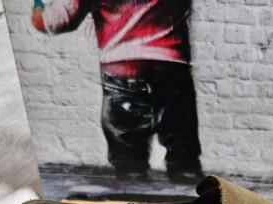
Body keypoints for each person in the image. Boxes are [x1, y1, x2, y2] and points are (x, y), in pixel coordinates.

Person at [32, 0, 203, 183]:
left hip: (121, 71)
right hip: (172, 68)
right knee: (182, 149)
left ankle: (133, 185)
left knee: (128, 156)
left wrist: (38, 6)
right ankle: (188, 182)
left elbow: (54, 22)